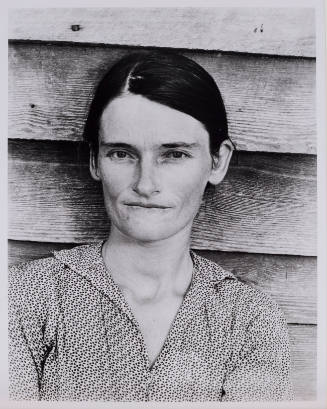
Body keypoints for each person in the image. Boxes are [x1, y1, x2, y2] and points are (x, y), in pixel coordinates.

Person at [9, 50, 293, 401]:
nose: (145, 184)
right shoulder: (26, 297)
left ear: (217, 162)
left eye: (174, 155)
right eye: (121, 153)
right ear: (95, 161)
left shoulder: (248, 319)